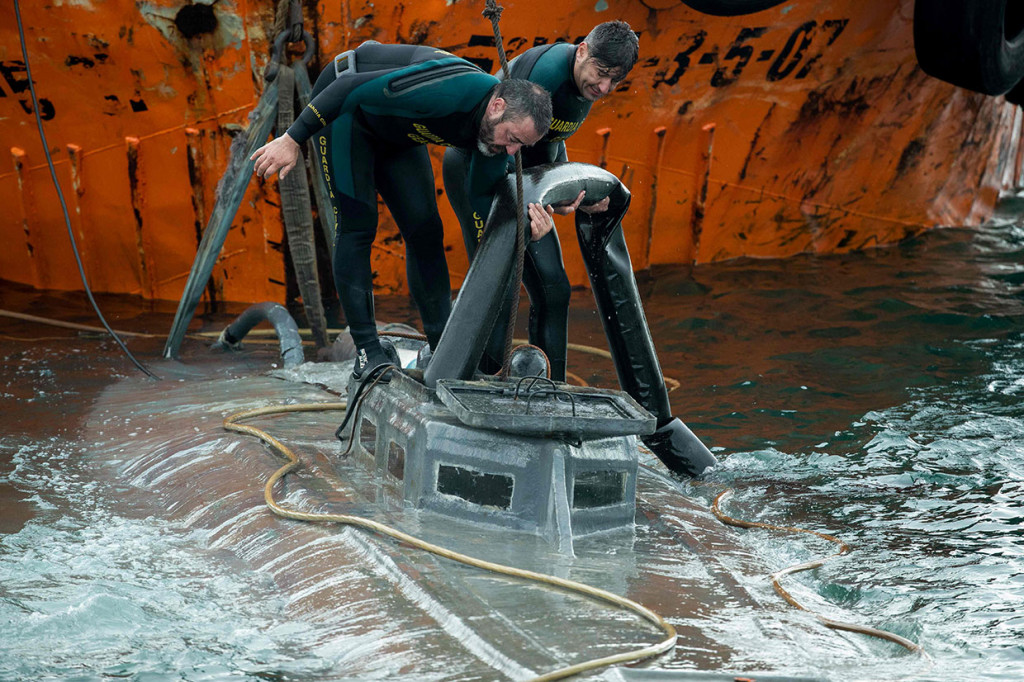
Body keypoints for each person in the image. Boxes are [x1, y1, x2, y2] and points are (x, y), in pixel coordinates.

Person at [251, 42, 553, 378]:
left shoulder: (495, 139)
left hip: (396, 133)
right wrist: (292, 138)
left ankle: (441, 350)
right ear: (497, 106)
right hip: (347, 109)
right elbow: (347, 87)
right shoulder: (449, 90)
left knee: (425, 232)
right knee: (358, 226)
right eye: (511, 138)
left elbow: (484, 215)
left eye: (520, 146)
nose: (510, 150)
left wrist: (525, 230)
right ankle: (367, 352)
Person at [442, 21, 640, 381]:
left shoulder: (583, 83)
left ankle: (550, 390)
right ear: (582, 51)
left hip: (527, 183)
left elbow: (549, 142)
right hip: (481, 174)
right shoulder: (546, 76)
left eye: (616, 81)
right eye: (601, 74)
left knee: (554, 289)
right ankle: (478, 386)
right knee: (497, 292)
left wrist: (567, 194)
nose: (605, 87)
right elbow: (497, 152)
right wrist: (519, 217)